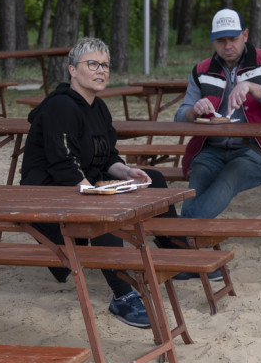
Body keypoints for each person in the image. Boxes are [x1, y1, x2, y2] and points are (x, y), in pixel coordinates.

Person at [21, 37, 176, 329]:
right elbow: (62, 163)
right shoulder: (61, 107)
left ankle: (175, 255)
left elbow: (107, 156)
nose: (100, 70)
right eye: (92, 64)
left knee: (153, 178)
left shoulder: (99, 108)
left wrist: (126, 172)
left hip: (79, 182)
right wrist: (93, 191)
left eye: (105, 65)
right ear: (72, 70)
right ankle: (122, 296)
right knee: (105, 207)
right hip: (45, 191)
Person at [172, 8, 261, 280]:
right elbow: (180, 115)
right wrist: (194, 110)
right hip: (211, 147)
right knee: (199, 178)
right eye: (220, 41)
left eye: (233, 39)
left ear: (245, 35)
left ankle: (178, 247)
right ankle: (193, 257)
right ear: (213, 41)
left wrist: (253, 88)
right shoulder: (202, 69)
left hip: (259, 149)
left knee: (228, 179)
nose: (228, 46)